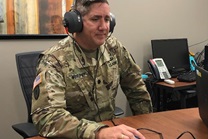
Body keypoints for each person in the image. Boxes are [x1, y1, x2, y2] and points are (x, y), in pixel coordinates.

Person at [31, 0, 153, 139]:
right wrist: (98, 132)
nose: (104, 27)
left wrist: (146, 126)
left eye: (107, 19)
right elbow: (48, 118)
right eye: (95, 19)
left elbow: (136, 88)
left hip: (110, 132)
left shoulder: (113, 47)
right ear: (76, 23)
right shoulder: (54, 60)